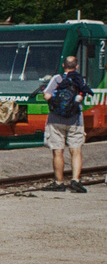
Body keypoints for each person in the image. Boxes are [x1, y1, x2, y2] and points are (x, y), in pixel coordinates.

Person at [43, 55, 90, 192]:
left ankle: (59, 182)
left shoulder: (57, 79)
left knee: (58, 152)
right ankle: (75, 181)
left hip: (55, 120)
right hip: (75, 120)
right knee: (76, 151)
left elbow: (46, 95)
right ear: (76, 66)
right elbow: (82, 97)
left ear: (64, 66)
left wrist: (56, 99)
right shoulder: (80, 80)